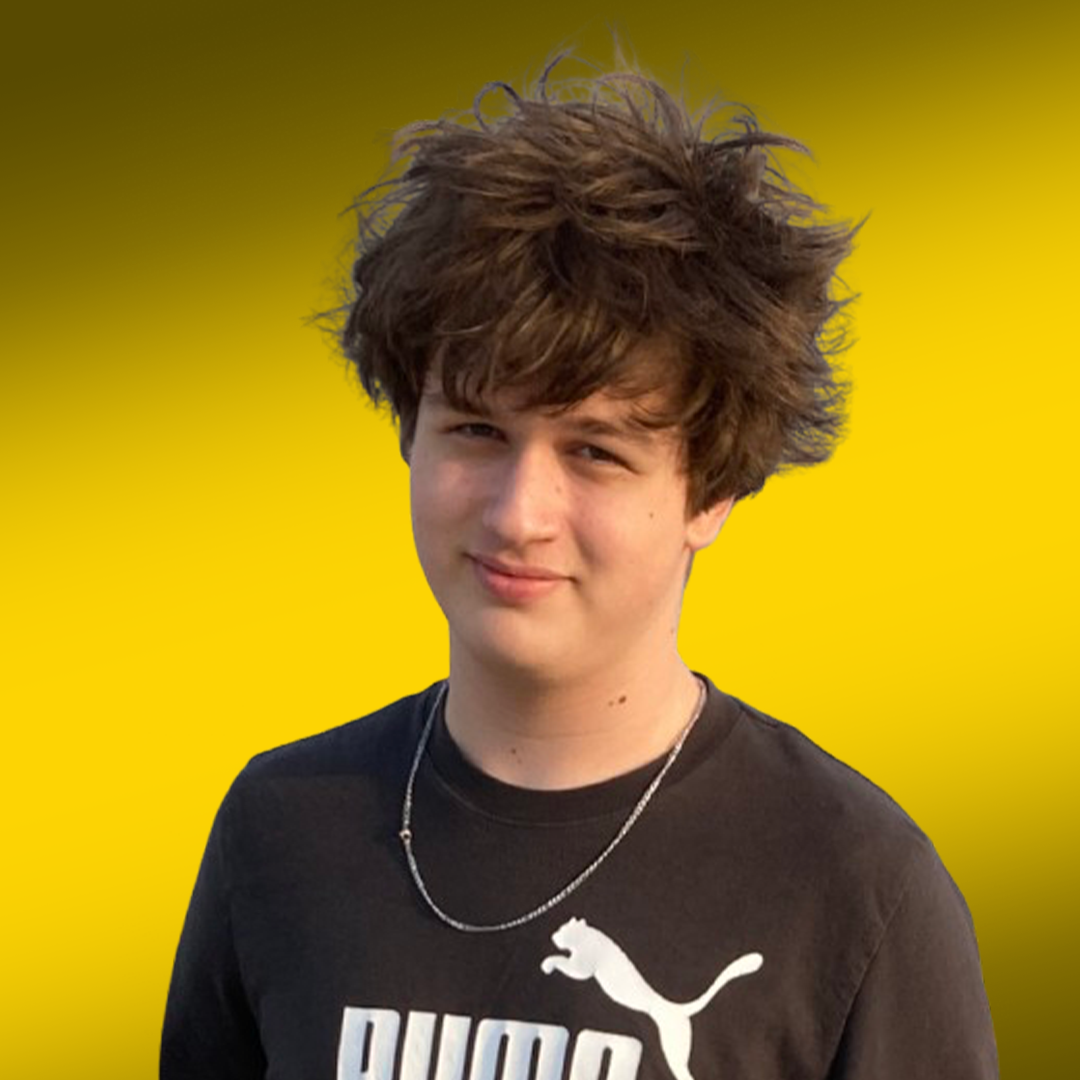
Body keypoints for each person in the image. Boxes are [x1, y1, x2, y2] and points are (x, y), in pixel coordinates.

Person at [161, 48, 998, 1080]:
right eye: (474, 430)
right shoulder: (280, 831)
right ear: (409, 436)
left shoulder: (855, 887)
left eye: (597, 451)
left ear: (714, 491)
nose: (520, 514)